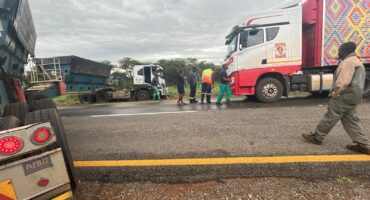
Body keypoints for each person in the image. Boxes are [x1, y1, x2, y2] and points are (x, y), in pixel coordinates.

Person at [302, 42, 370, 155]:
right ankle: (362, 144)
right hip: (354, 96)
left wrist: (335, 93)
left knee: (331, 115)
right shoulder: (357, 62)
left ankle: (317, 137)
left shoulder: (348, 62)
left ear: (345, 51)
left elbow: (343, 81)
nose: (338, 52)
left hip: (345, 95)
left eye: (340, 50)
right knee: (351, 119)